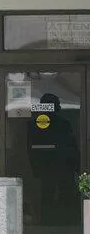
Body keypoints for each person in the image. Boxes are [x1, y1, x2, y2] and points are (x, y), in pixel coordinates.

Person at [27, 93, 79, 225]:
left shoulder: (35, 125)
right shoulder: (62, 124)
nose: (59, 107)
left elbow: (70, 146)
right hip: (56, 167)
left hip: (55, 167)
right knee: (55, 196)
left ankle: (51, 224)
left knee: (52, 196)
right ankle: (62, 224)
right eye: (57, 104)